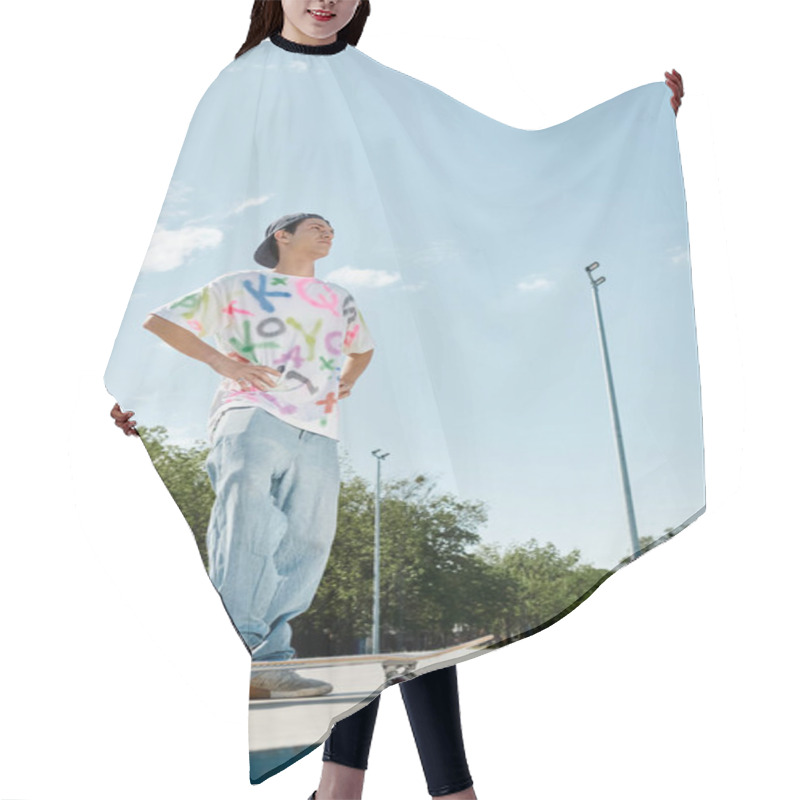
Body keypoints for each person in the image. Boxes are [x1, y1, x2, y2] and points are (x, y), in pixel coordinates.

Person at [110, 2, 686, 798]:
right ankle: (427, 789)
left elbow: (489, 169)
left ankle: (345, 788)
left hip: (389, 374)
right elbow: (195, 238)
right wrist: (153, 389)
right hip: (264, 407)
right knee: (333, 588)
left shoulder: (382, 92)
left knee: (391, 592)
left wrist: (632, 128)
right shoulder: (238, 90)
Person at [139, 210, 376, 699]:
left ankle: (268, 663)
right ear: (281, 236)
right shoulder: (240, 285)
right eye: (315, 225)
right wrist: (219, 360)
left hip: (319, 429)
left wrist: (347, 379)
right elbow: (160, 320)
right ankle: (228, 653)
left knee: (308, 542)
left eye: (331, 227)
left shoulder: (339, 299)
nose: (327, 230)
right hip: (253, 413)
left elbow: (362, 348)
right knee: (247, 529)